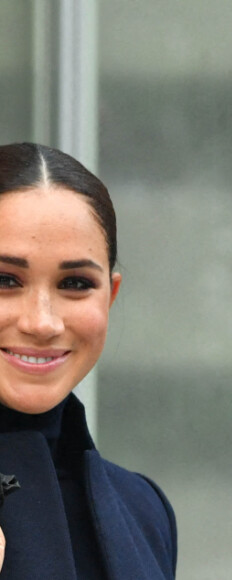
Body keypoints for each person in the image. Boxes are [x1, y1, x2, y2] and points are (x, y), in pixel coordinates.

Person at [0, 142, 177, 579]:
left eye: (75, 283)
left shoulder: (141, 509)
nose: (42, 322)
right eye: (5, 280)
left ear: (111, 295)